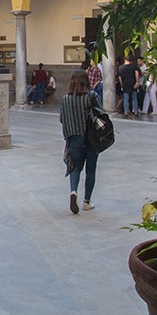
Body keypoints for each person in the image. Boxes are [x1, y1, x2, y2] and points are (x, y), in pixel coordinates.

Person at [60, 69, 100, 214]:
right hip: (91, 138)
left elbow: (61, 119)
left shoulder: (66, 98)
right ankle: (86, 202)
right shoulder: (91, 96)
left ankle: (73, 192)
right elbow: (100, 115)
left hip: (74, 137)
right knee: (90, 170)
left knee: (75, 167)